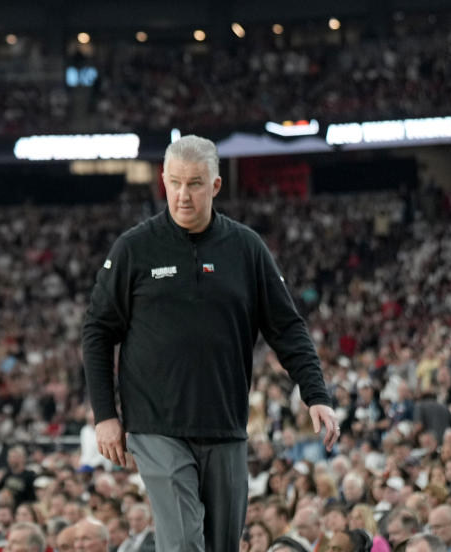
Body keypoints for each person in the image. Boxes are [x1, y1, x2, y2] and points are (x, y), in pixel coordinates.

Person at [81, 135, 339, 552]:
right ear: (162, 181)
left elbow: (287, 327)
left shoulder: (246, 248)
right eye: (175, 182)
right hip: (155, 423)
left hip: (226, 423)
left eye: (195, 183)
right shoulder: (134, 248)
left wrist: (316, 395)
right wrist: (105, 414)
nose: (183, 195)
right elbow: (97, 330)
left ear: (216, 186)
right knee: (183, 542)